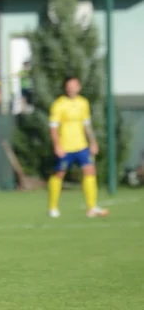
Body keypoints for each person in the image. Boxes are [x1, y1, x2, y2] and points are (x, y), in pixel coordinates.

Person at [47, 77, 108, 218]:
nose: (71, 88)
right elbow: (53, 128)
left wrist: (92, 142)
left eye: (74, 86)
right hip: (65, 146)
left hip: (81, 146)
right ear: (65, 88)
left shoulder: (83, 103)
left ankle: (91, 207)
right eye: (69, 86)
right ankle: (52, 207)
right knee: (59, 174)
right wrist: (57, 145)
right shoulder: (59, 104)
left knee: (90, 171)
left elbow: (86, 125)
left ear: (79, 87)